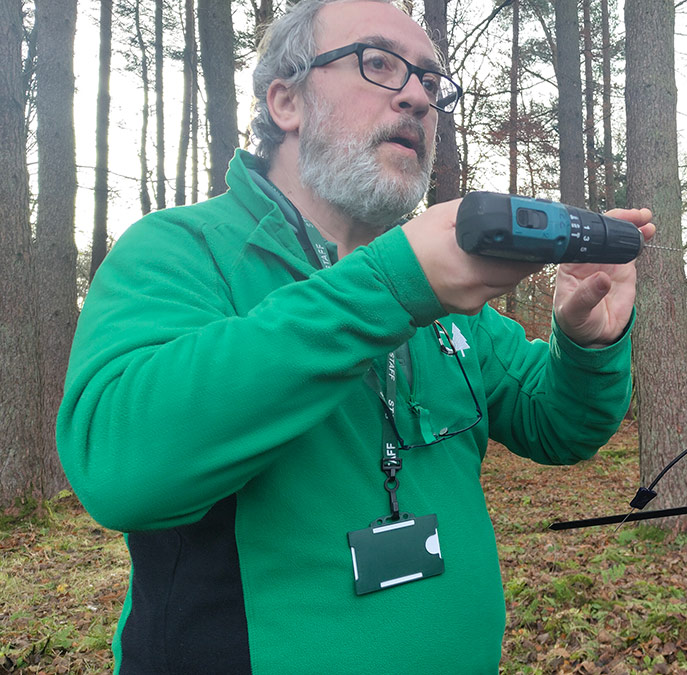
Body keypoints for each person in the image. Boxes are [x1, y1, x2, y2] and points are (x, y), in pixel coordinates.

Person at [56, 1, 653, 672]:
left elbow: (560, 425)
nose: (417, 97)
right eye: (378, 63)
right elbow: (119, 468)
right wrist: (392, 285)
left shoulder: (442, 287)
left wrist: (587, 342)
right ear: (286, 100)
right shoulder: (182, 251)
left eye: (431, 81)